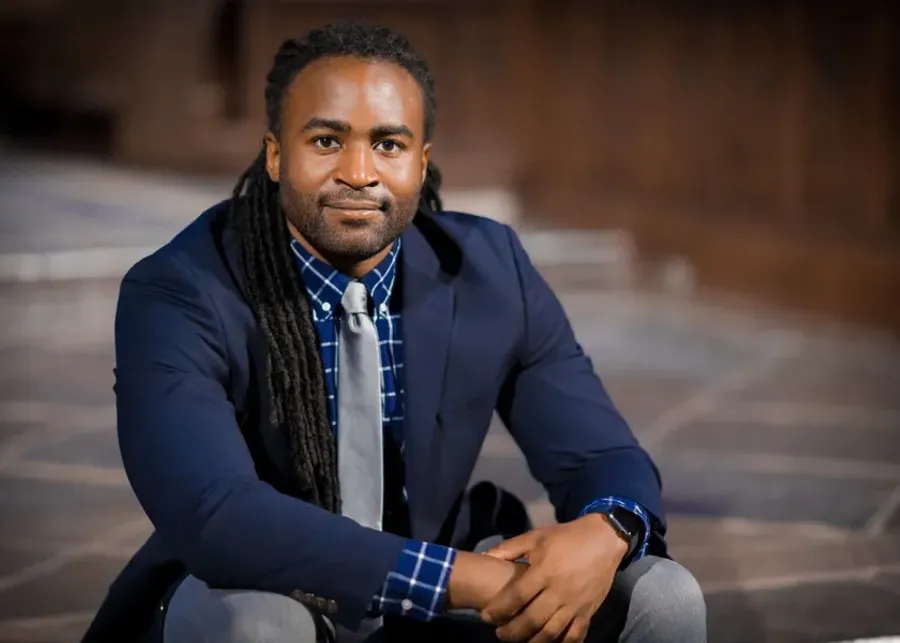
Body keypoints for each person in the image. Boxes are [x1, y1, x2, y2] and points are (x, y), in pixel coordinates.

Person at [81, 22, 706, 643]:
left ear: (421, 160)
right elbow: (217, 514)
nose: (359, 171)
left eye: (388, 144)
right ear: (276, 156)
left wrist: (608, 531)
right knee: (258, 627)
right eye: (326, 141)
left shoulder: (488, 269)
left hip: (437, 587)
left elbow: (601, 455)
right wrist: (468, 580)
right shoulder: (179, 289)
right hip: (262, 583)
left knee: (662, 596)